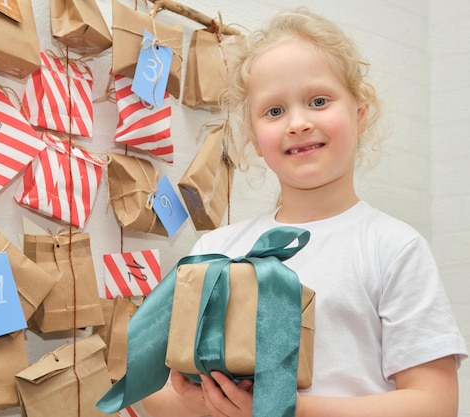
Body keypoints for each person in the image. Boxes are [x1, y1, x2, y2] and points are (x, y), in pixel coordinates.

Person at [139, 8, 468, 417]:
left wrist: (286, 409)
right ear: (255, 139)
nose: (297, 123)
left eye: (318, 101)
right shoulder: (215, 249)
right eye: (274, 111)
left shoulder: (394, 248)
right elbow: (150, 390)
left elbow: (435, 405)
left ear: (360, 112)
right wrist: (203, 402)